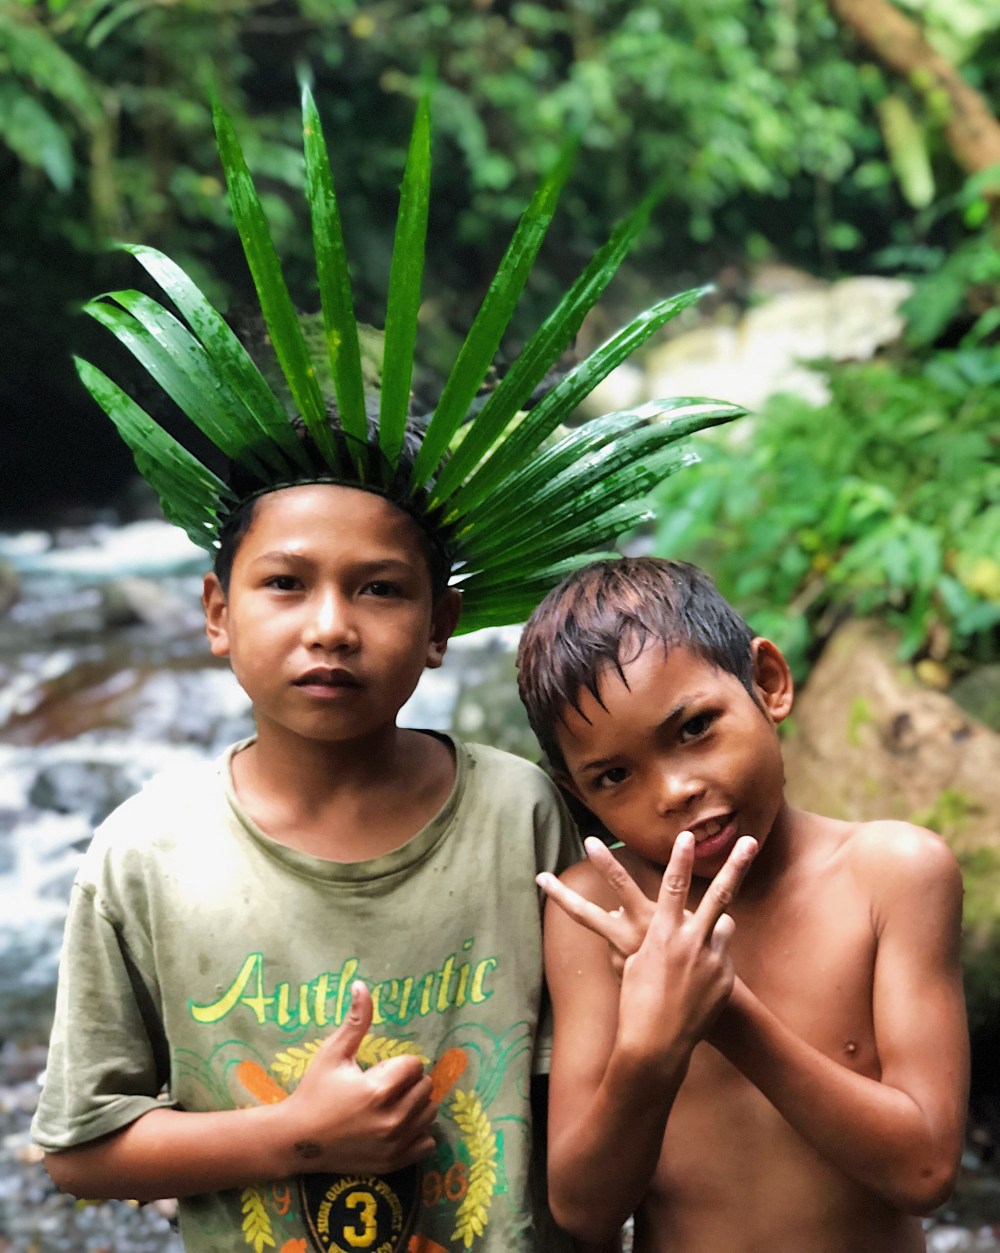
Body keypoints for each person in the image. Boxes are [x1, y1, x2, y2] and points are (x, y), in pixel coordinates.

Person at [31, 84, 741, 1253]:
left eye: (378, 588)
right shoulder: (144, 853)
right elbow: (80, 1146)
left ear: (438, 627)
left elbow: (590, 1132)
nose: (329, 626)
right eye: (282, 583)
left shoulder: (519, 812)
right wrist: (298, 1137)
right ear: (215, 614)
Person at [516, 555, 969, 1253]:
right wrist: (651, 1047)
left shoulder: (894, 875)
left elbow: (926, 1168)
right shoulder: (596, 914)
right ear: (579, 796)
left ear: (768, 682)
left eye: (694, 727)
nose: (673, 791)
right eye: (613, 775)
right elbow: (584, 1209)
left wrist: (722, 1010)